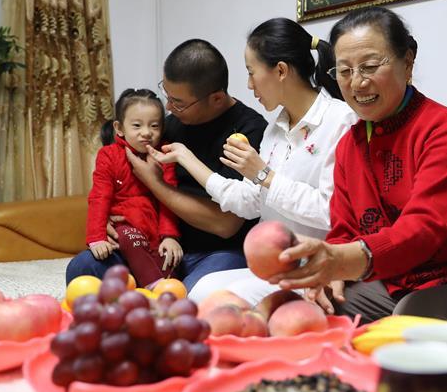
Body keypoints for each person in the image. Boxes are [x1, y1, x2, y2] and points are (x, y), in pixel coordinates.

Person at [266, 6, 447, 323]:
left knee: (412, 316)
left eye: (369, 67)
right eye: (344, 72)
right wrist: (332, 273)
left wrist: (345, 260)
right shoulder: (348, 146)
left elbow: (423, 230)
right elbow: (343, 231)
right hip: (395, 280)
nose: (357, 84)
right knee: (304, 312)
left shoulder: (443, 131)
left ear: (408, 61)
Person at [151, 18, 357, 308]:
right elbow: (248, 202)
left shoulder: (341, 120)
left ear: (281, 71)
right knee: (197, 292)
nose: (248, 85)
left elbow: (331, 211)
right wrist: (187, 157)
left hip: (314, 268)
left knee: (206, 304)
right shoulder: (275, 130)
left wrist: (264, 175)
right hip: (272, 266)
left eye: (251, 72)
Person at [66, 39, 268, 291]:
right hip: (154, 244)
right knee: (83, 268)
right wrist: (107, 221)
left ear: (216, 98)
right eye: (167, 95)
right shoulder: (170, 125)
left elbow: (225, 224)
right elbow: (119, 180)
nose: (169, 108)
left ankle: (154, 294)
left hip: (217, 251)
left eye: (179, 102)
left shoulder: (250, 130)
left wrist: (154, 182)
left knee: (194, 296)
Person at [81, 89, 181, 287]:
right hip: (124, 227)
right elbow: (99, 197)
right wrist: (97, 236)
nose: (146, 132)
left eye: (154, 126)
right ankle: (154, 285)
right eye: (137, 125)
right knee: (126, 236)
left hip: (153, 229)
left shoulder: (165, 155)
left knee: (170, 256)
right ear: (119, 128)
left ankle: (167, 284)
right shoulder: (108, 155)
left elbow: (169, 200)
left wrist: (170, 237)